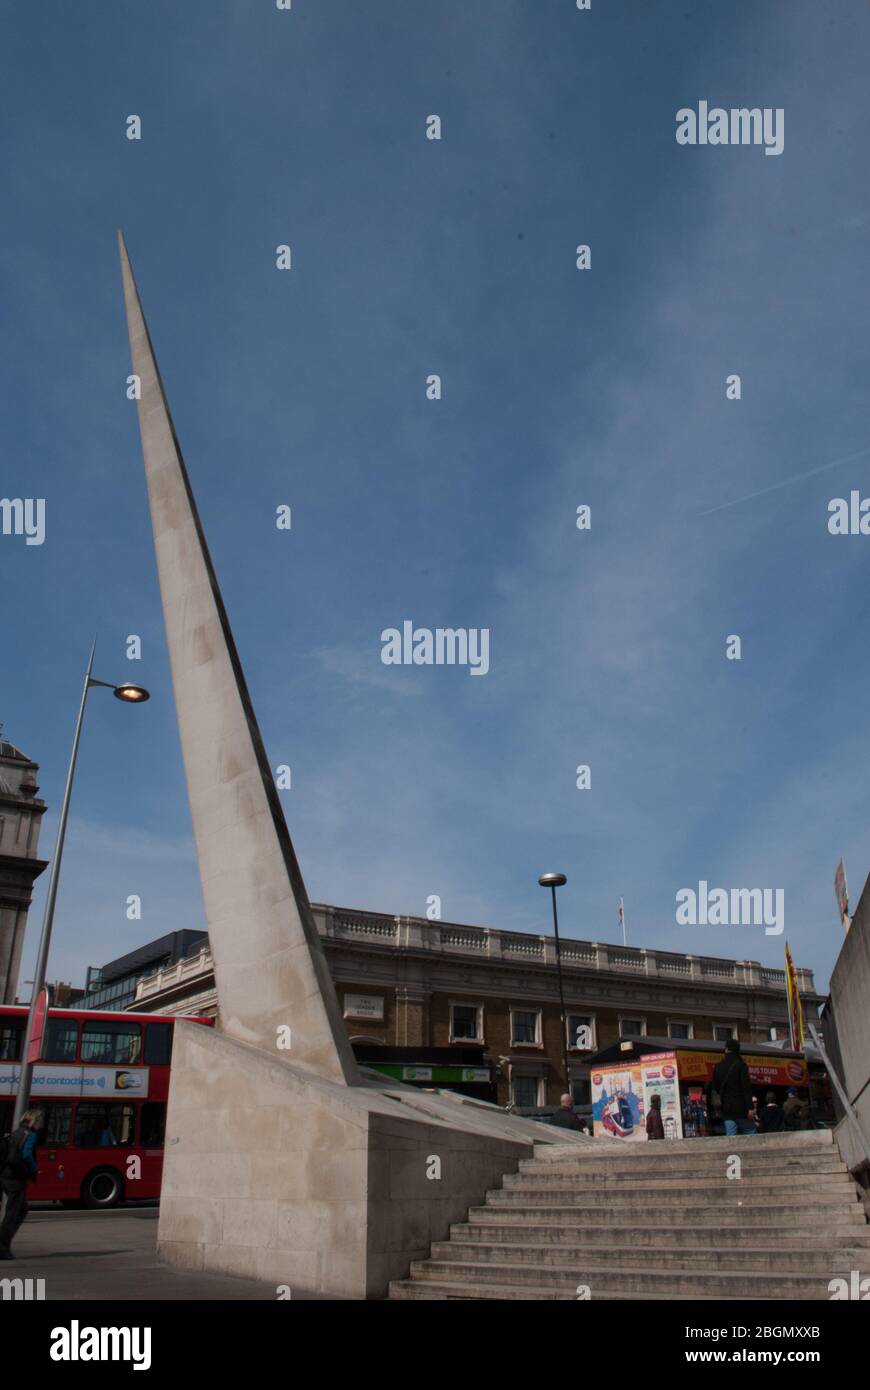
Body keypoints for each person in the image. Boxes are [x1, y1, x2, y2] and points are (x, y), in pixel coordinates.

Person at [0, 1107, 43, 1259]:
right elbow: (26, 1155)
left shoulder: (17, 1131)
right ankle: (2, 1247)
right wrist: (35, 1169)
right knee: (14, 1212)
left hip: (5, 1174)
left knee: (21, 1208)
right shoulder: (30, 1135)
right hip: (16, 1177)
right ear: (36, 1121)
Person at [708, 1039, 755, 1136]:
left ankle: (732, 1152)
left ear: (726, 1049)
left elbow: (715, 1087)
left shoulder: (718, 1066)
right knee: (751, 1133)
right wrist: (750, 1107)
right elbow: (746, 1088)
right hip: (742, 1108)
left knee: (731, 1136)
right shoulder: (741, 1065)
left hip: (726, 1108)